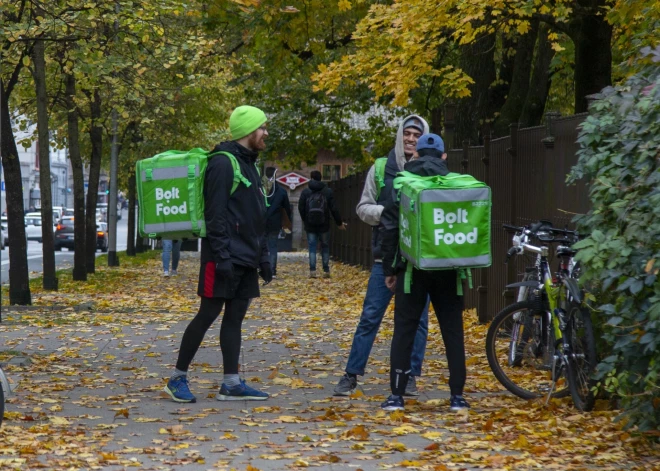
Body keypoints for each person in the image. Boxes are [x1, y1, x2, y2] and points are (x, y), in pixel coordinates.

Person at [164, 105, 273, 403]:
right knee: (207, 314)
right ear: (248, 131)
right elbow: (216, 216)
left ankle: (231, 383)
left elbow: (256, 216)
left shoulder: (249, 163)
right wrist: (223, 257)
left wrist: (263, 256)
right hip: (222, 257)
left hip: (246, 258)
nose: (265, 133)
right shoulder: (223, 163)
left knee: (235, 317)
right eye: (262, 128)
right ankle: (177, 378)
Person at [333, 115, 431, 397]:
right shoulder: (379, 168)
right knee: (370, 317)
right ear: (400, 135)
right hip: (384, 258)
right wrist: (389, 212)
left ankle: (410, 376)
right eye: (407, 133)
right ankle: (351, 375)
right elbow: (363, 208)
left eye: (417, 134)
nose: (411, 139)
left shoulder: (431, 169)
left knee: (419, 321)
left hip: (419, 260)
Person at [379, 133, 469, 412]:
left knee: (404, 331)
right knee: (452, 332)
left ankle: (396, 396)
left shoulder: (401, 184)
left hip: (411, 271)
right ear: (444, 157)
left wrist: (389, 269)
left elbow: (390, 228)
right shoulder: (455, 186)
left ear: (415, 155)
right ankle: (457, 397)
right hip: (449, 270)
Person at [298, 170, 346, 278]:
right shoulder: (327, 191)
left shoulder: (306, 192)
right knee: (325, 246)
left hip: (310, 224)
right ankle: (326, 270)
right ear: (321, 178)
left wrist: (305, 219)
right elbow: (334, 208)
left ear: (311, 178)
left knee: (312, 247)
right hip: (324, 224)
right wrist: (339, 222)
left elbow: (300, 207)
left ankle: (313, 271)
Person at [263, 167, 292, 278]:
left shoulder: (261, 189)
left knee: (262, 246)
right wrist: (286, 221)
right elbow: (287, 208)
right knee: (273, 246)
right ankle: (272, 270)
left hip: (261, 221)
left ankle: (262, 268)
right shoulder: (281, 191)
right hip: (275, 222)